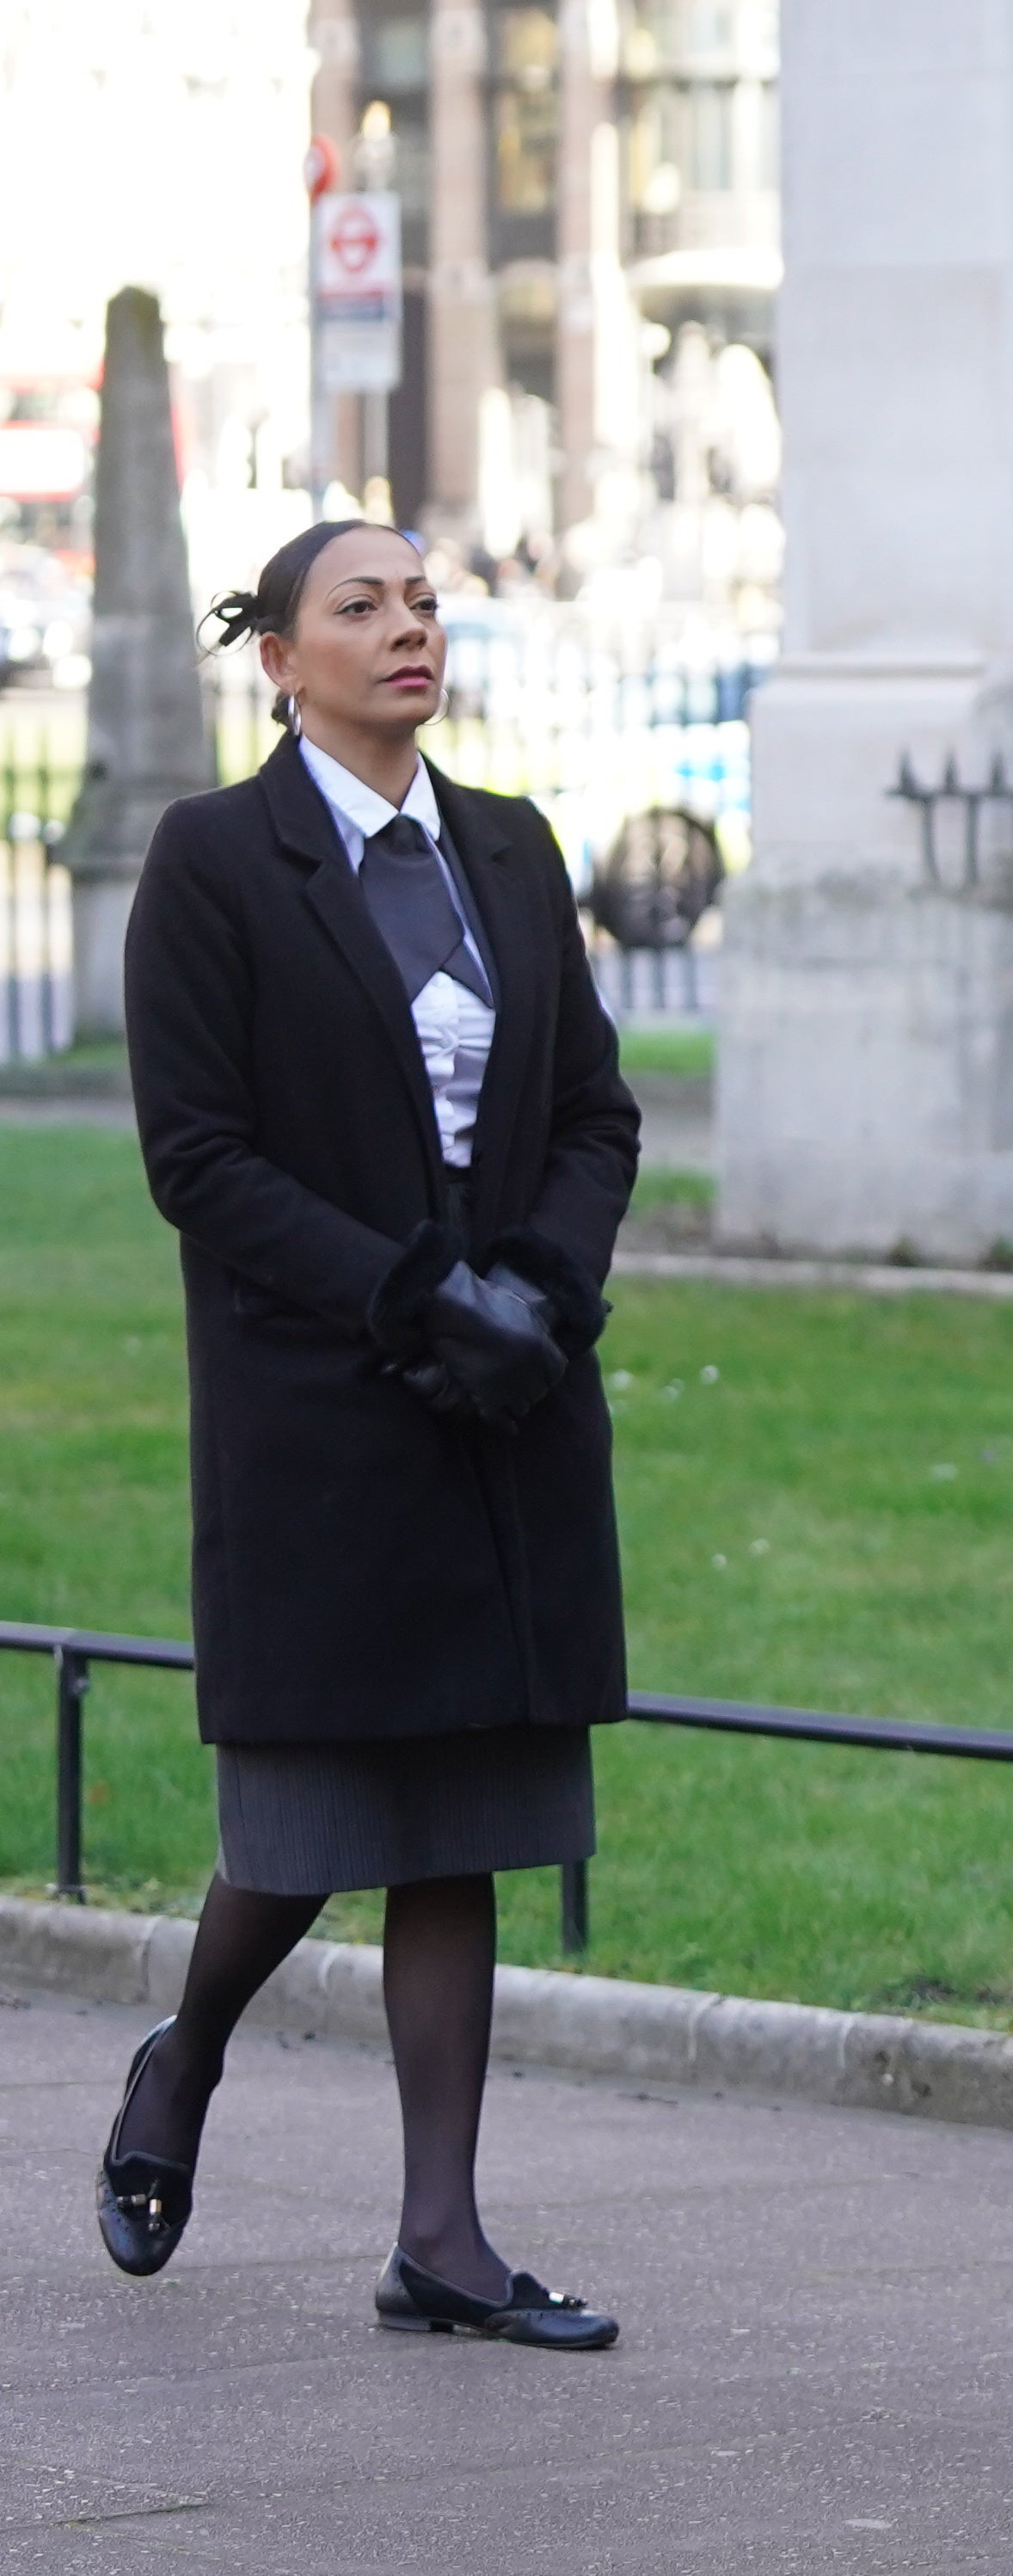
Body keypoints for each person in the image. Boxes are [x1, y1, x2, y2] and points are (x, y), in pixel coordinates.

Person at [100, 516, 636, 2351]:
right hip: (326, 1406)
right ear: (280, 655)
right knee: (316, 1808)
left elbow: (594, 1113)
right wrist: (418, 1296)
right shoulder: (212, 860)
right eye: (363, 605)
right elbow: (201, 1159)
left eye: (421, 600)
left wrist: (542, 1295)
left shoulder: (509, 843)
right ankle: (187, 2055)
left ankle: (444, 2234)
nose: (408, 627)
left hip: (505, 1413)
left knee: (459, 1818)